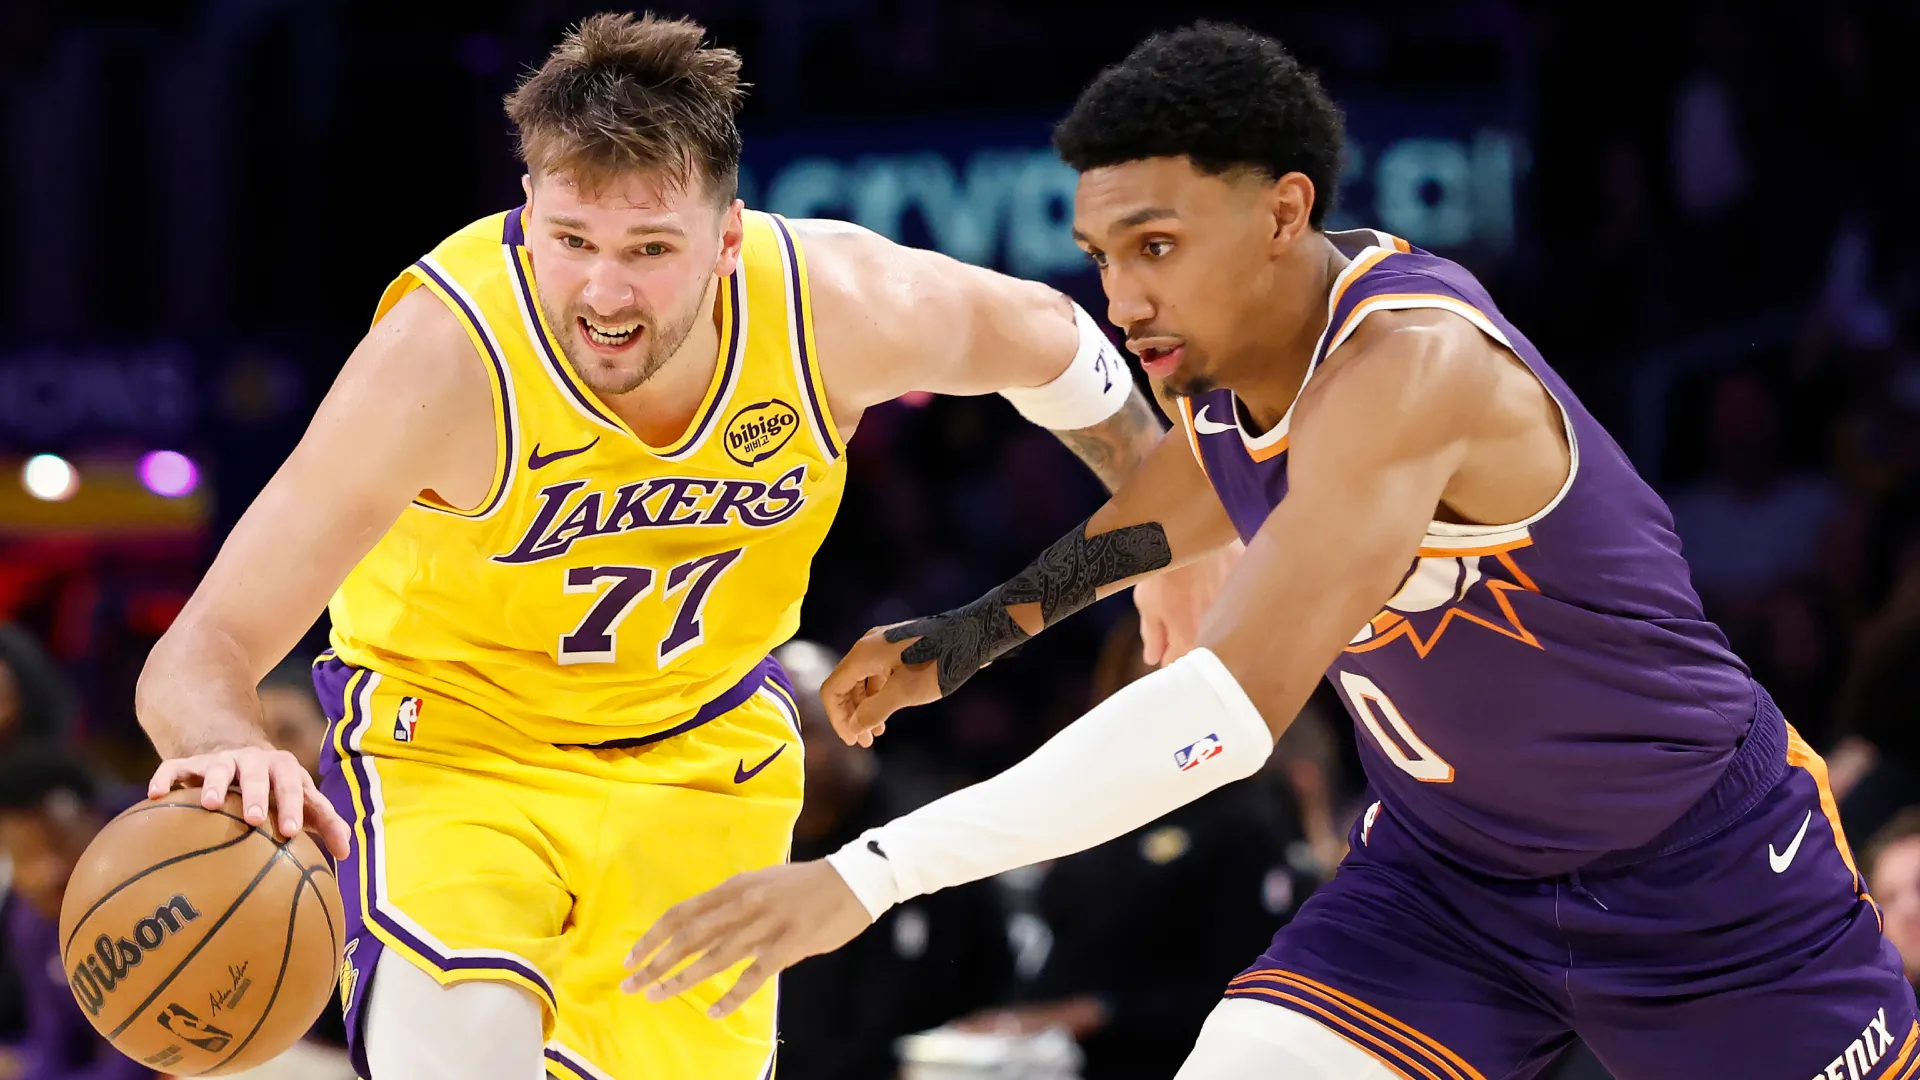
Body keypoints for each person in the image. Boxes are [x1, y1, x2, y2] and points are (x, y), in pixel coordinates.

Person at [623, 23, 1918, 1080]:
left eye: (1157, 247)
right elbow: (1165, 503)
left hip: (1705, 882)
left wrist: (868, 875)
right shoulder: (1232, 371)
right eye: (1105, 254)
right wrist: (977, 632)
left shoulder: (1412, 369)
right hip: (1448, 881)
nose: (1122, 297)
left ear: (1282, 215)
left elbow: (1225, 719)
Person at [132, 13, 1232, 1080]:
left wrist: (1173, 539)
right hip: (457, 755)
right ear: (527, 213)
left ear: (728, 236)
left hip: (702, 761)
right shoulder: (438, 363)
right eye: (570, 242)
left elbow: (1053, 345)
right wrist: (225, 741)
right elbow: (202, 649)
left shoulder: (836, 305)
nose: (604, 294)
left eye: (650, 249)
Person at [950, 611, 1311, 1080]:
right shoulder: (1104, 798)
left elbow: (1239, 990)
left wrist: (1093, 1014)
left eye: (1174, 680)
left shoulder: (1245, 817)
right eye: (1140, 678)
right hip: (1039, 1054)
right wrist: (1009, 1023)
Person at [772, 640, 1012, 1080]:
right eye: (777, 738)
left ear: (855, 718)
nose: (792, 753)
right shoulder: (751, 844)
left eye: (806, 729)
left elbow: (994, 990)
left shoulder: (932, 830)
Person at [0, 751, 152, 1080]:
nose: (46, 873)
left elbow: (145, 1062)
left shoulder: (157, 882)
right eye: (23, 854)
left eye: (58, 842)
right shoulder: (30, 923)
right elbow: (55, 1046)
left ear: (99, 819)